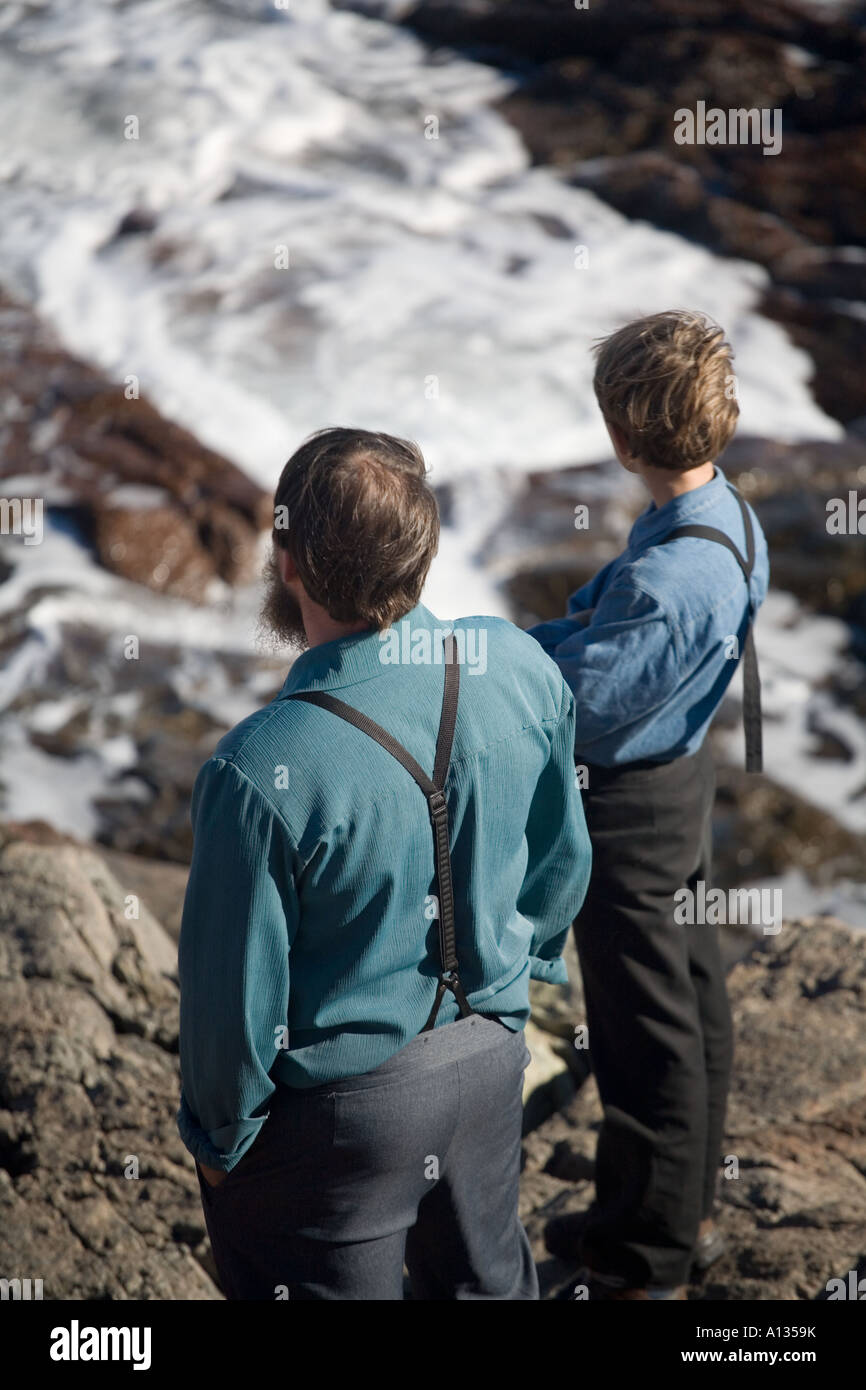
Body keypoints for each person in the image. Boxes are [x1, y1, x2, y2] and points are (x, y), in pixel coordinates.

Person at [177, 426, 592, 1300]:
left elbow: (230, 1012)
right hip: (490, 1060)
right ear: (425, 555)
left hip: (347, 1121)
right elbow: (561, 862)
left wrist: (221, 1149)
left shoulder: (257, 770)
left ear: (285, 563)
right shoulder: (521, 667)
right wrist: (518, 982)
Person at [529, 310, 769, 1301]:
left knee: (642, 1030)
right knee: (688, 996)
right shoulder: (719, 515)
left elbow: (576, 701)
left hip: (628, 804)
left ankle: (646, 1263)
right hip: (678, 776)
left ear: (621, 438)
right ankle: (676, 1209)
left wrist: (496, 666)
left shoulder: (674, 576)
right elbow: (606, 624)